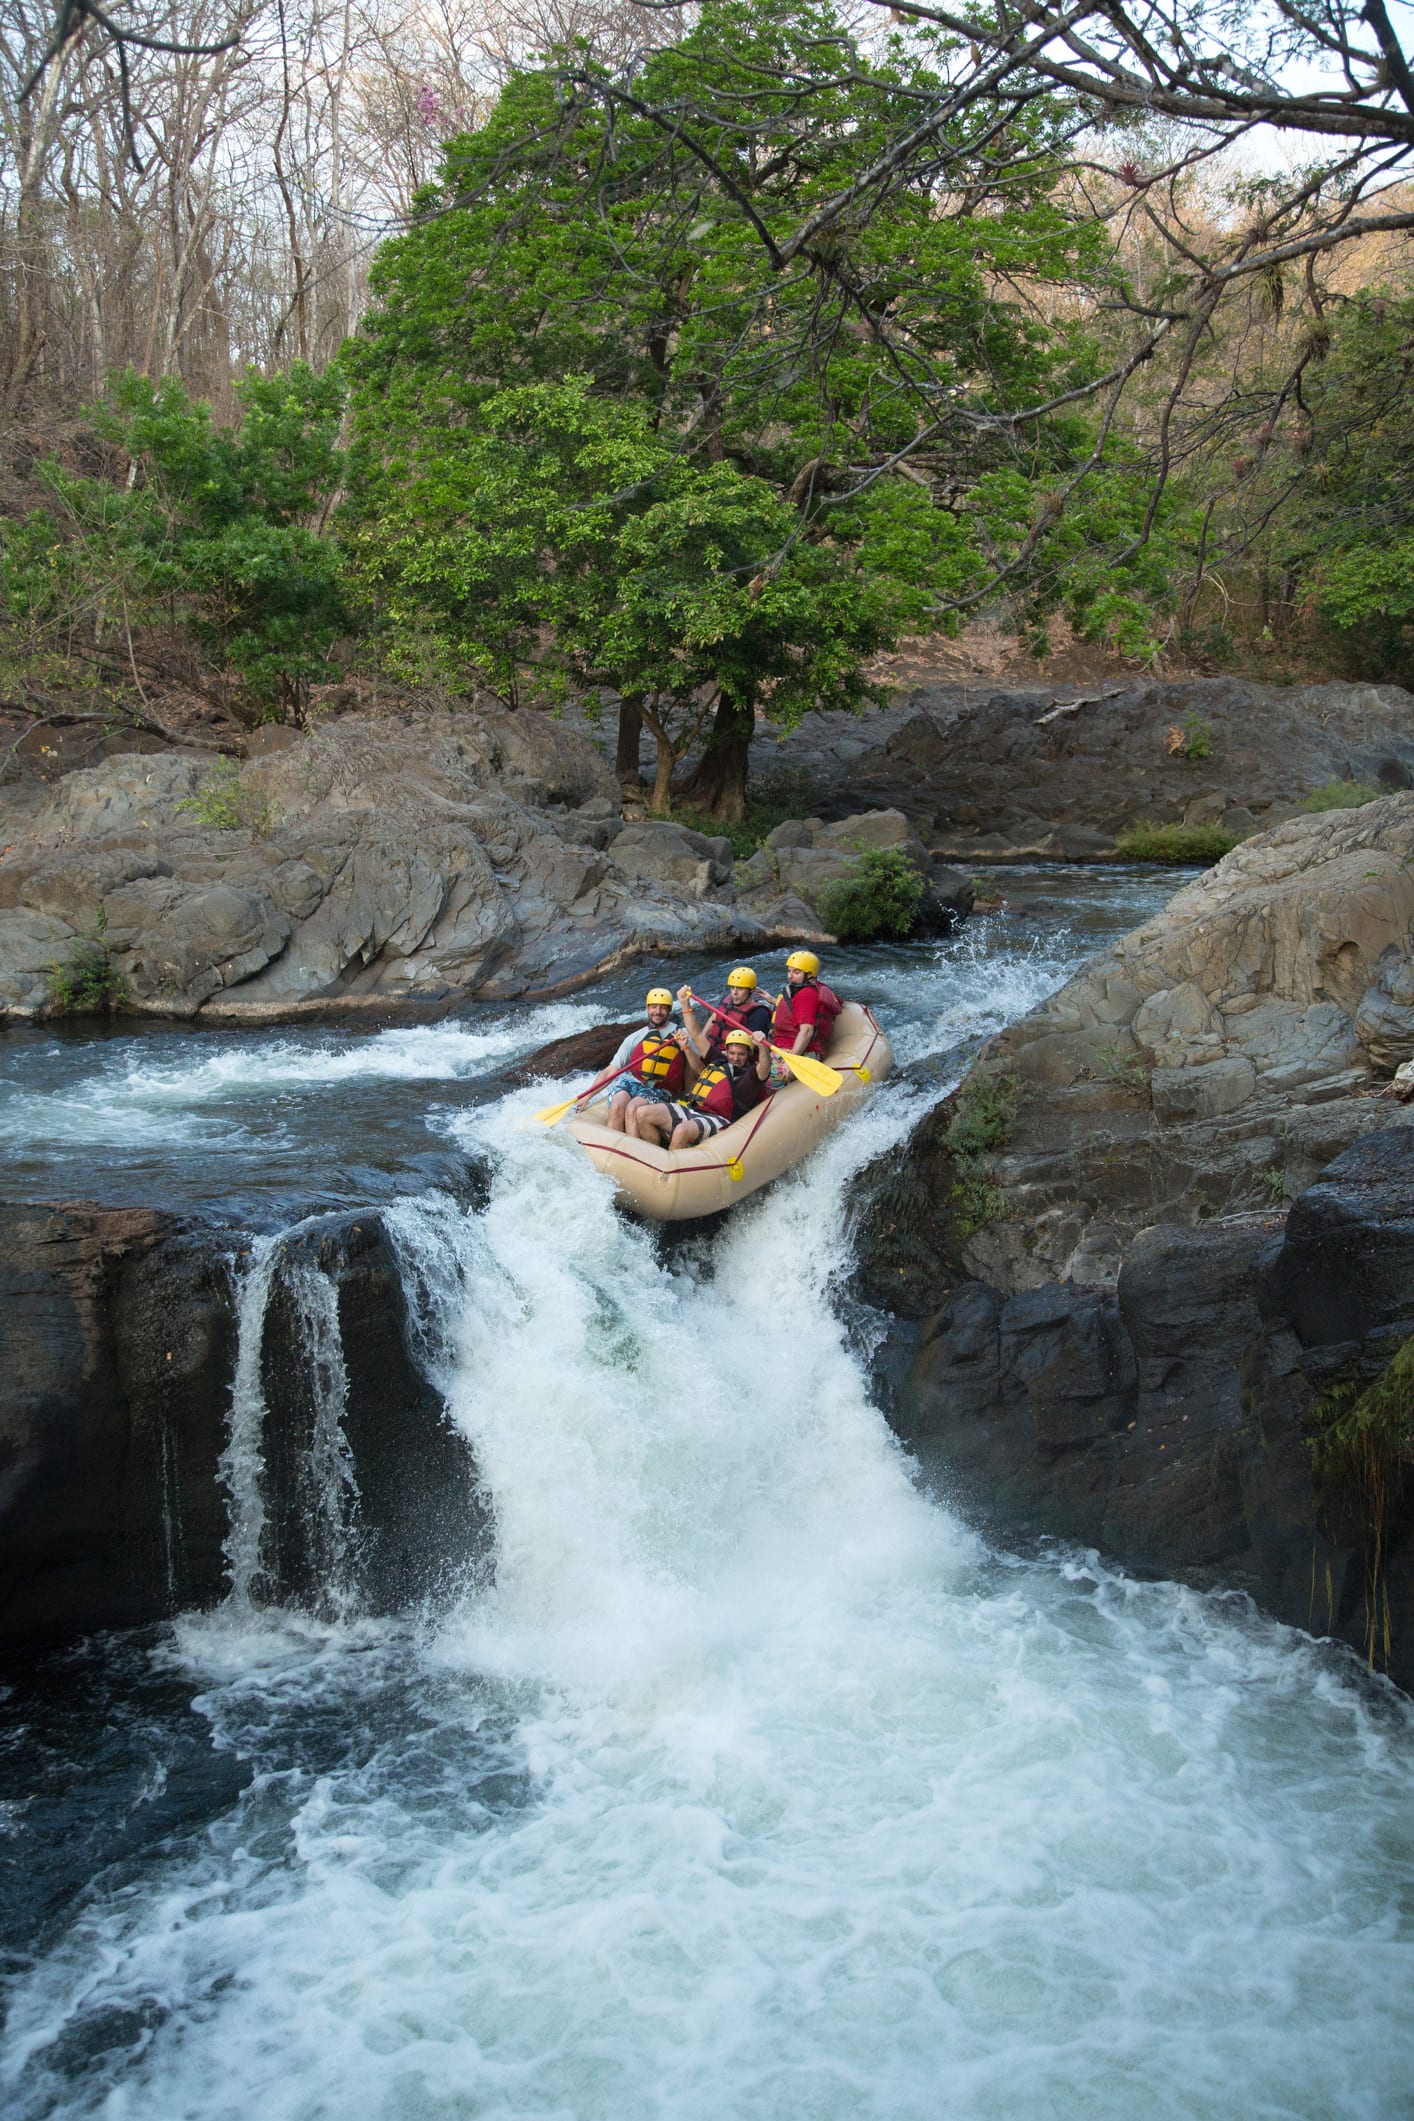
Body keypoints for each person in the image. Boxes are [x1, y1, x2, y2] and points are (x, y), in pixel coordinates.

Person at [631, 1026, 771, 1149]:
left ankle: (668, 1172)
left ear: (749, 1054)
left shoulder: (751, 1075)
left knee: (681, 1131)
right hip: (694, 1110)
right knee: (642, 1113)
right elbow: (697, 1036)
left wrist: (763, 1047)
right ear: (726, 1051)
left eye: (741, 1054)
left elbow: (764, 1068)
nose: (735, 1058)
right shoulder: (718, 1062)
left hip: (720, 1119)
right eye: (732, 1053)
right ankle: (653, 1158)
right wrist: (685, 1004)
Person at [594, 988, 690, 1132]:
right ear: (647, 1008)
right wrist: (587, 1097)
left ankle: (631, 1148)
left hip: (662, 1090)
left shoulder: (682, 1035)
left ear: (669, 1010)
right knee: (617, 1105)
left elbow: (697, 1066)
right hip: (635, 1084)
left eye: (663, 1008)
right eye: (653, 1007)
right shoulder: (635, 1037)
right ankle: (611, 1147)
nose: (657, 1011)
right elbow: (610, 1070)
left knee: (632, 1108)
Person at [677, 967, 773, 1066]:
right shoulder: (727, 999)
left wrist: (727, 1053)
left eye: (740, 988)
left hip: (733, 1058)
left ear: (751, 990)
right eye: (732, 987)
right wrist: (703, 1038)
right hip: (712, 1048)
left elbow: (751, 1047)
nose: (734, 992)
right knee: (681, 1045)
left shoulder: (759, 1013)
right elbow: (715, 1016)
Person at [771, 949, 842, 1061]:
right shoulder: (816, 987)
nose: (790, 976)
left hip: (795, 1051)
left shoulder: (806, 994)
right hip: (791, 1047)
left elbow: (807, 1031)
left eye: (796, 972)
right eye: (789, 971)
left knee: (758, 1075)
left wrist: (791, 1062)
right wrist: (772, 1000)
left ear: (809, 974)